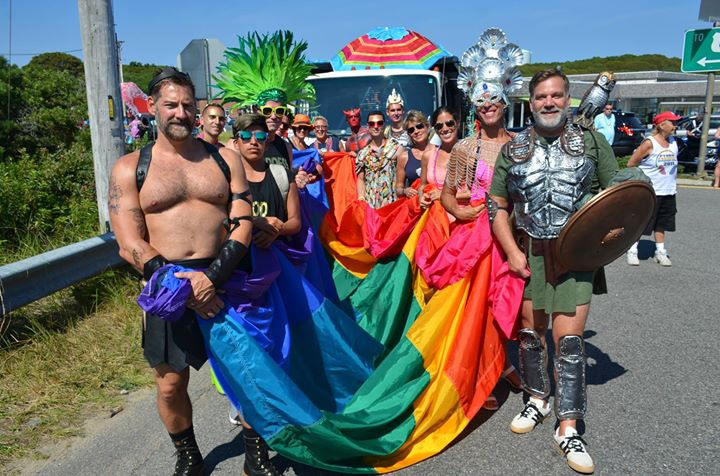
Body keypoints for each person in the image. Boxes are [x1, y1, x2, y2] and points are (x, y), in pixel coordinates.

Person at [109, 68, 253, 476]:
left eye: (188, 105)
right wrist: (181, 286)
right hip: (165, 285)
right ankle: (187, 453)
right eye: (171, 104)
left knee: (246, 373)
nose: (180, 112)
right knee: (171, 383)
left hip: (225, 277)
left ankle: (255, 451)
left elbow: (242, 220)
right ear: (153, 107)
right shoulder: (128, 168)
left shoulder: (226, 159)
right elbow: (130, 242)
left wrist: (213, 278)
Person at [488, 67, 618, 474]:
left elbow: (618, 194)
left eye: (557, 96)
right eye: (542, 96)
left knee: (571, 343)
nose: (549, 103)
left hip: (574, 254)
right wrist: (511, 252)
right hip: (529, 251)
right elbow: (497, 204)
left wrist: (608, 239)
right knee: (530, 336)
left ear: (568, 99)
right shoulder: (514, 149)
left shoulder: (593, 142)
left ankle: (568, 426)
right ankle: (538, 398)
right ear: (531, 101)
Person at [625, 111, 680, 267]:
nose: (676, 126)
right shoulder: (649, 143)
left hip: (668, 191)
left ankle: (660, 252)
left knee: (662, 224)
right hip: (650, 192)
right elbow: (631, 163)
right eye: (673, 122)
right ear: (662, 125)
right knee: (641, 223)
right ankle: (632, 250)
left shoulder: (674, 142)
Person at [355, 111, 407, 208]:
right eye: (372, 123)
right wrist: (361, 197)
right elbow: (361, 179)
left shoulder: (396, 149)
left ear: (384, 125)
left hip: (392, 205)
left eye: (379, 123)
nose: (376, 126)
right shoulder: (362, 154)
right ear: (367, 126)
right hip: (370, 207)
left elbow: (403, 178)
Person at [419, 107, 459, 209]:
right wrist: (421, 197)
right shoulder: (428, 155)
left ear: (457, 123)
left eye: (449, 123)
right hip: (434, 216)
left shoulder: (469, 154)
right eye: (439, 126)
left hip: (460, 216)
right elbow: (422, 185)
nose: (445, 129)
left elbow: (478, 193)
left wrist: (442, 195)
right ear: (435, 130)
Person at [395, 110, 429, 198]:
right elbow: (398, 188)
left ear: (427, 126)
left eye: (419, 126)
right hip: (414, 205)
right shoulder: (404, 157)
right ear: (409, 134)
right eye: (411, 130)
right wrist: (405, 191)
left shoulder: (438, 152)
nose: (416, 131)